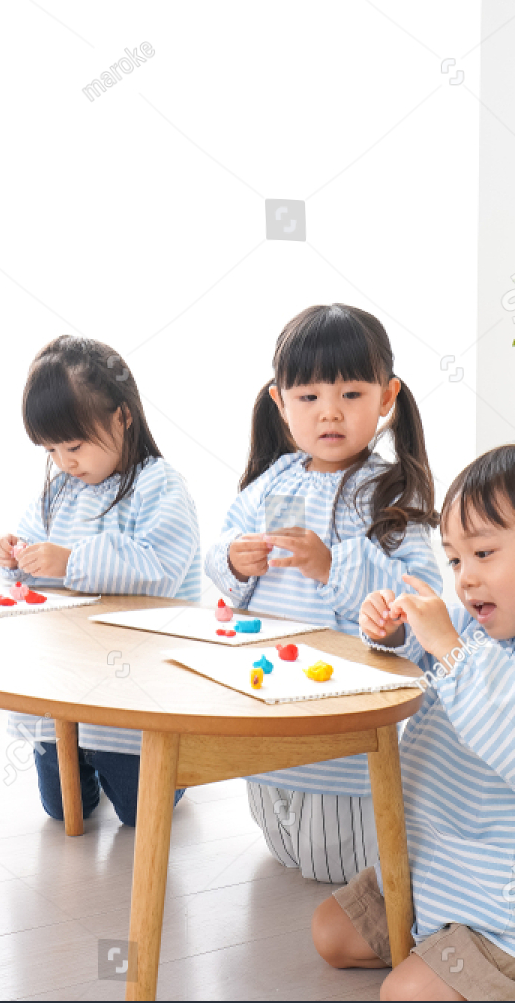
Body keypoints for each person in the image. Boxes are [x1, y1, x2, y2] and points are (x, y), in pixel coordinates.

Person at [311, 443, 515, 1000]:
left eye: (484, 553)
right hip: (445, 875)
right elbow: (431, 661)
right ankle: (440, 946)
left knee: (406, 995)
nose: (465, 579)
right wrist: (395, 634)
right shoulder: (477, 632)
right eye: (454, 560)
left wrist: (448, 646)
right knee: (331, 933)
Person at [204, 303, 443, 884]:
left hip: (344, 721)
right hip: (270, 695)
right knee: (282, 835)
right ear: (280, 402)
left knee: (337, 864)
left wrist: (333, 566)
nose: (329, 412)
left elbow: (422, 597)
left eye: (351, 394)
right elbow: (218, 553)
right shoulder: (274, 480)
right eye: (308, 396)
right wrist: (233, 558)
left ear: (387, 398)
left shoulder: (390, 491)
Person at [0, 335, 200, 827]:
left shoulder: (159, 485)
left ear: (123, 417)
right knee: (63, 809)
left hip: (134, 679)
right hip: (65, 677)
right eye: (51, 449)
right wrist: (13, 557)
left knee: (138, 813)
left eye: (75, 445)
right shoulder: (60, 491)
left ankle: (179, 763)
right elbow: (34, 557)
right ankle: (87, 760)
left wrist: (71, 562)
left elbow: (159, 568)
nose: (65, 461)